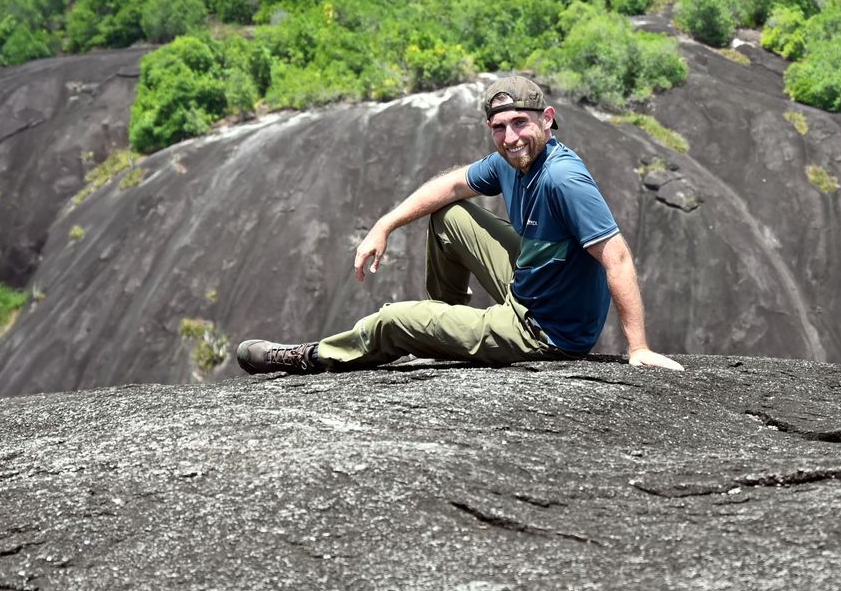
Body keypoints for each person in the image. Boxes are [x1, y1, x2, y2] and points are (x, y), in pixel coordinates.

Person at [236, 75, 684, 375]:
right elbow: (451, 186)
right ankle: (442, 331)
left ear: (547, 120)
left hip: (545, 330)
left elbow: (618, 257)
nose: (510, 138)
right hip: (533, 280)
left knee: (392, 320)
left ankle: (309, 356)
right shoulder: (511, 161)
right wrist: (385, 224)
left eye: (520, 123)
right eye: (499, 127)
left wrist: (638, 348)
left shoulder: (563, 179)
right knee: (449, 216)